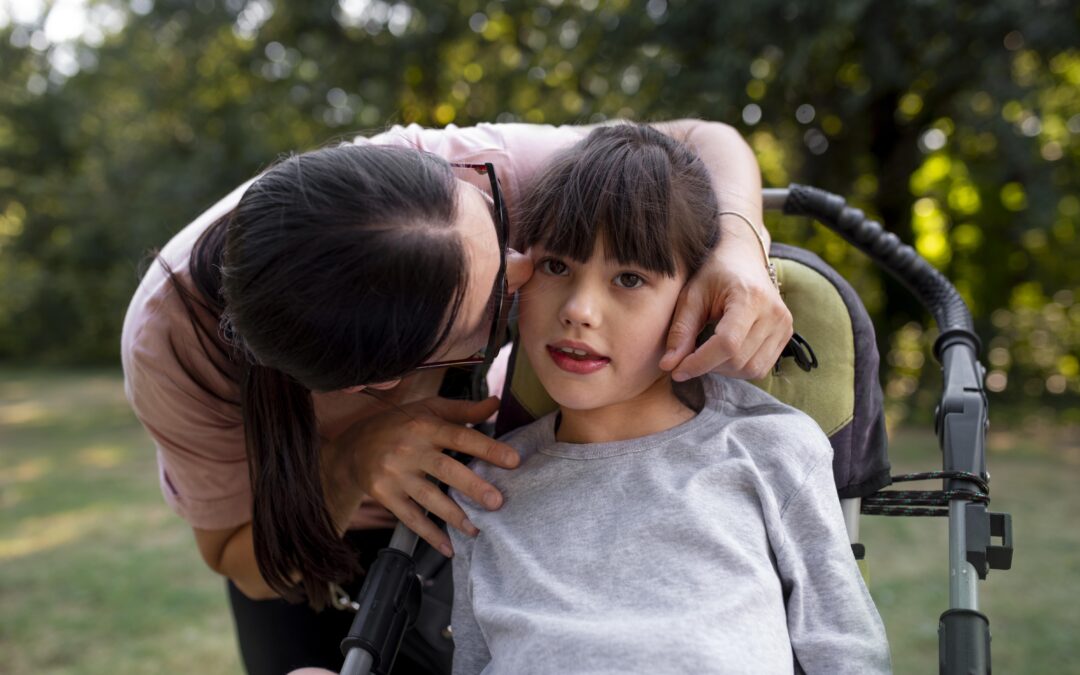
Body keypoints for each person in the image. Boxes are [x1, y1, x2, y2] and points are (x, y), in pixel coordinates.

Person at [120, 120, 792, 674]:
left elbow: (702, 139)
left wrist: (740, 242)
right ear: (386, 380)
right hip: (311, 540)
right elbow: (237, 557)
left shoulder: (466, 175)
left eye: (499, 227)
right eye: (499, 297)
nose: (528, 268)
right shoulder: (171, 346)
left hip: (471, 504)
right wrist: (353, 465)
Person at [448, 125, 891, 674]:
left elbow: (846, 652)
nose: (579, 310)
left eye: (629, 279)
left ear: (697, 300)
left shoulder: (768, 449)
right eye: (556, 266)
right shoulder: (483, 491)